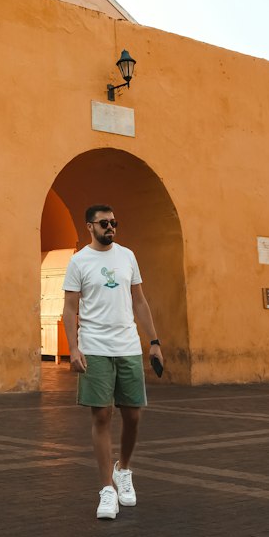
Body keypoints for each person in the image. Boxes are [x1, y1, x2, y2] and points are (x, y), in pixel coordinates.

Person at [62, 204, 163, 520]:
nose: (111, 227)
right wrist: (74, 348)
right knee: (102, 416)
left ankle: (124, 470)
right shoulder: (78, 261)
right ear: (89, 226)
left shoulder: (127, 256)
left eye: (114, 222)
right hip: (95, 346)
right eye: (104, 223)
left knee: (133, 415)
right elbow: (69, 308)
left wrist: (155, 342)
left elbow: (140, 301)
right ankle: (107, 489)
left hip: (128, 346)